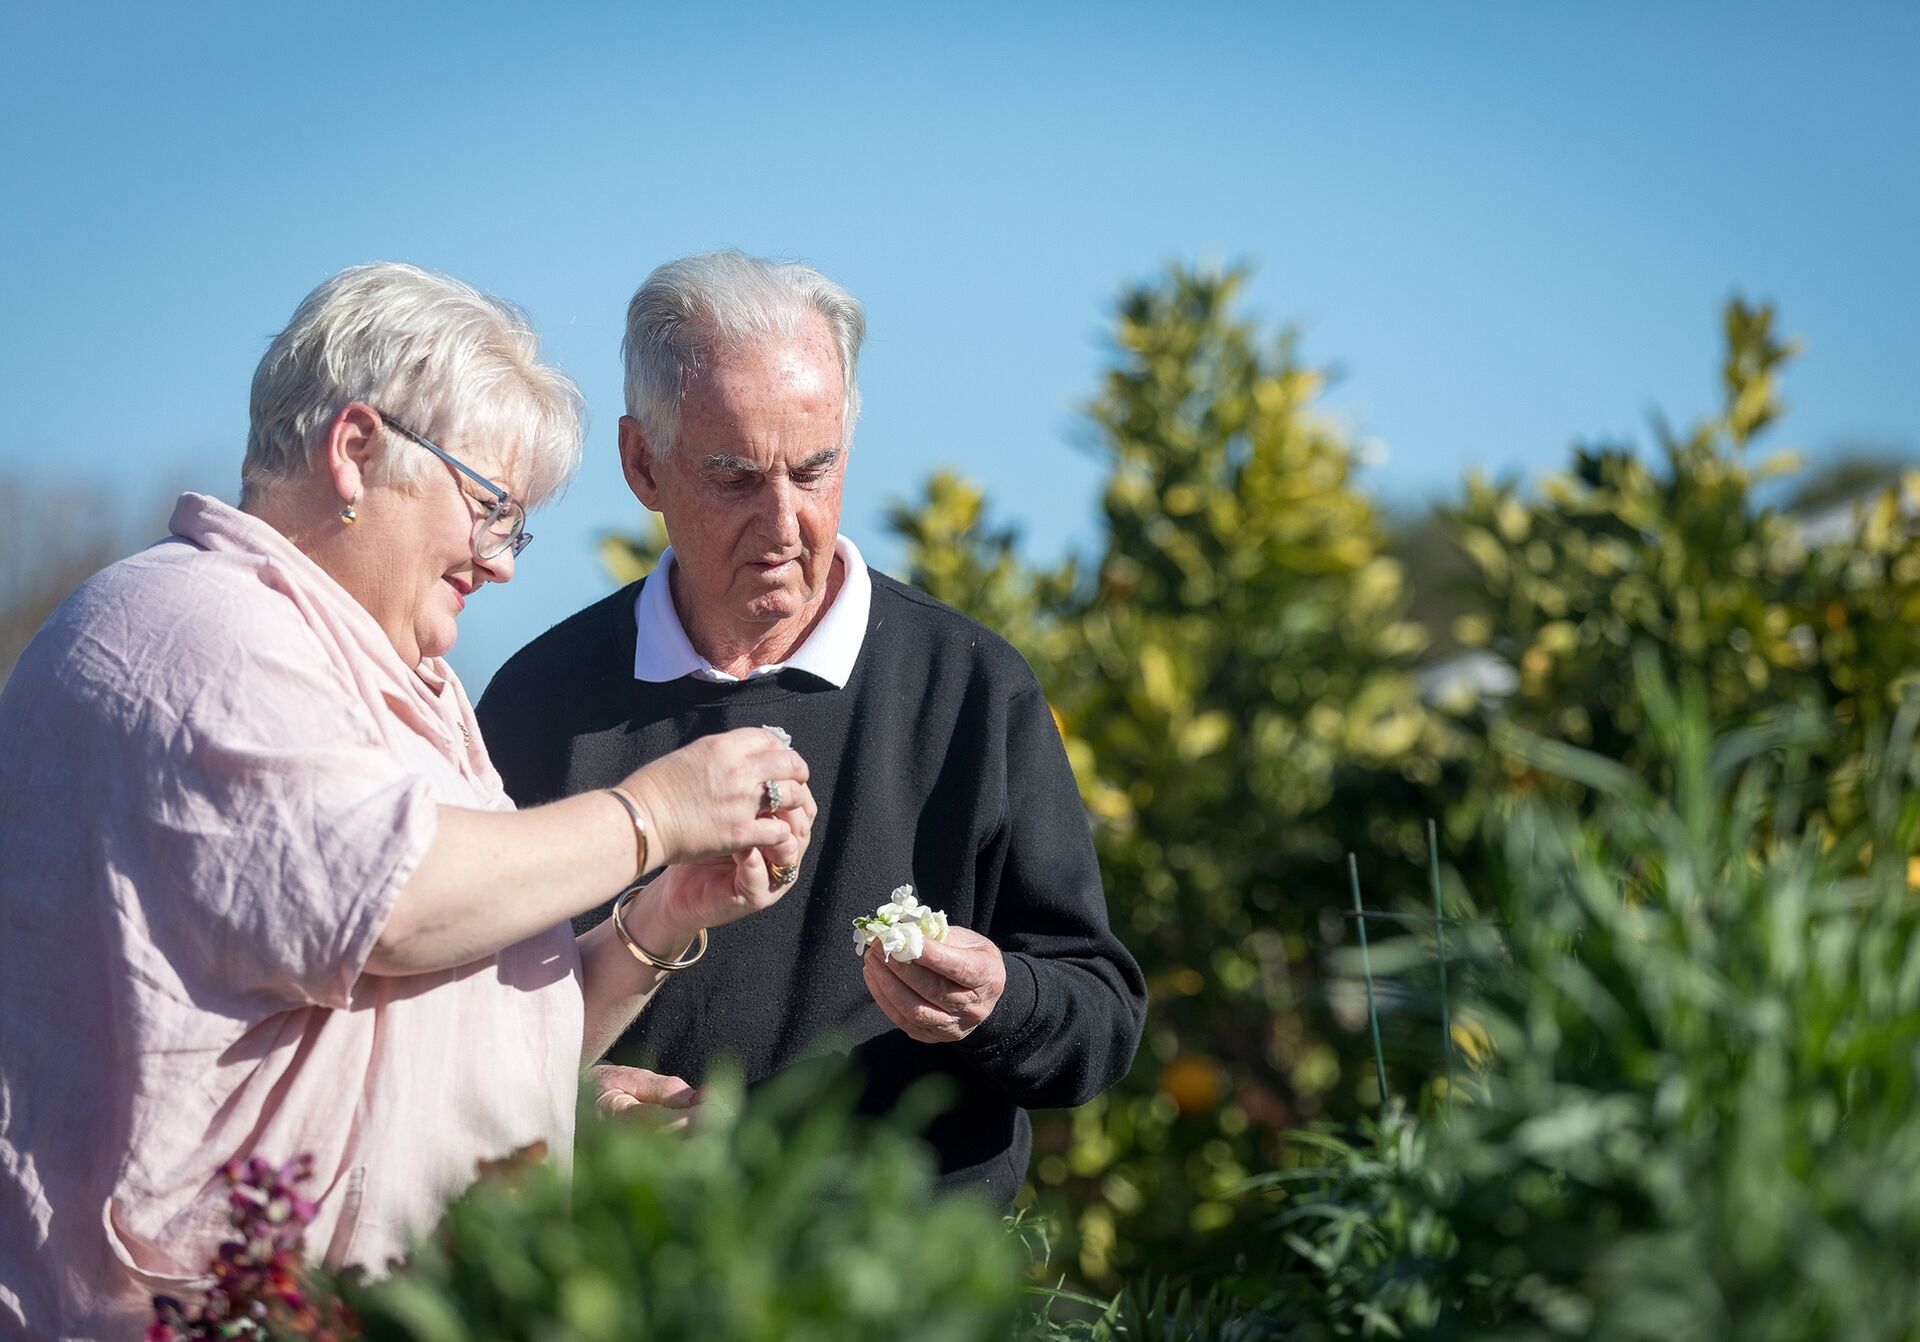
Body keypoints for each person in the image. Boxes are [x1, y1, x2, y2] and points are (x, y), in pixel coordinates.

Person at [0, 262, 816, 1340]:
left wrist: (663, 916)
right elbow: (391, 906)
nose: (500, 562)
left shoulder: (386, 674)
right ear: (355, 451)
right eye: (489, 505)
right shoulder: (197, 629)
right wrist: (649, 815)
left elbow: (462, 1011)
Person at [478, 251, 1147, 1201]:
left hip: (904, 1293)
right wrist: (558, 1100)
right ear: (641, 464)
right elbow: (439, 1026)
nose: (785, 521)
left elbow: (1102, 1022)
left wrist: (1000, 1000)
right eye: (735, 477)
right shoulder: (538, 703)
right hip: (622, 1280)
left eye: (815, 468)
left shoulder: (970, 686)